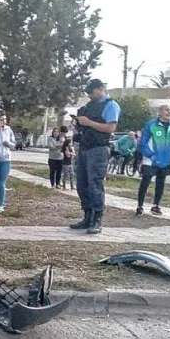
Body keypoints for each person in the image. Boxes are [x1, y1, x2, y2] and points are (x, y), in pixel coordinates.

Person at [71, 79, 121, 234]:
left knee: (95, 184)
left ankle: (97, 218)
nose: (89, 95)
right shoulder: (88, 106)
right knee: (82, 184)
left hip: (98, 148)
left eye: (91, 92)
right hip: (85, 146)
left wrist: (89, 122)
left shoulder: (110, 105)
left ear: (100, 89)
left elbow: (110, 128)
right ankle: (87, 215)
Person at [135, 104, 170, 215]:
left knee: (161, 182)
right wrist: (150, 155)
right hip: (150, 159)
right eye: (166, 110)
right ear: (159, 112)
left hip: (165, 160)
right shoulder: (151, 125)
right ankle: (140, 206)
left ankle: (156, 205)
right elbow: (143, 142)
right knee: (146, 182)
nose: (169, 112)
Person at [61, 125, 75, 190]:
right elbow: (68, 155)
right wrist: (71, 154)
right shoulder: (65, 149)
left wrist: (72, 153)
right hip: (65, 163)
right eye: (70, 142)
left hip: (70, 163)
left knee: (71, 175)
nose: (71, 143)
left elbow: (73, 154)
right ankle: (64, 186)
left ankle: (72, 186)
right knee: (65, 175)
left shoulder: (70, 148)